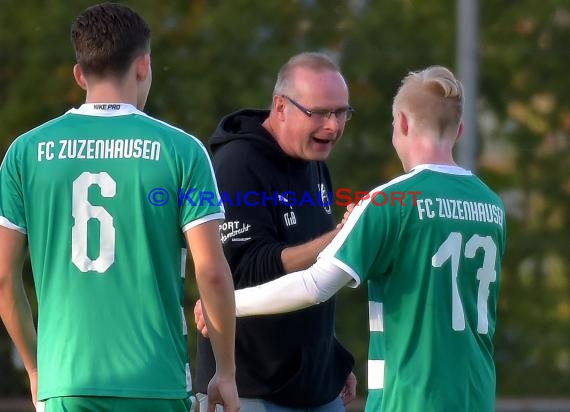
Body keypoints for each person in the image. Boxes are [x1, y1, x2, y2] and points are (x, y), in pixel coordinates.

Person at [198, 65, 507, 411]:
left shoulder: (391, 202)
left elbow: (315, 285)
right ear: (460, 130)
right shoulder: (491, 204)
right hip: (477, 394)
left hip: (409, 397)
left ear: (402, 124)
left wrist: (226, 304)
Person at [0, 3, 239, 412]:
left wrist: (38, 370)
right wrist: (226, 372)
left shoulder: (25, 152)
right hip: (155, 380)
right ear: (144, 65)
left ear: (80, 74)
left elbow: (4, 278)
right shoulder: (182, 151)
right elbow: (212, 273)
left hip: (67, 383)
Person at [194, 52, 357, 411]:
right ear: (281, 107)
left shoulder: (314, 162)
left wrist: (331, 356)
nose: (333, 126)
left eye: (341, 112)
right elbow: (243, 274)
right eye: (319, 113)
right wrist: (340, 237)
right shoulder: (237, 165)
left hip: (316, 389)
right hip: (250, 390)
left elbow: (315, 276)